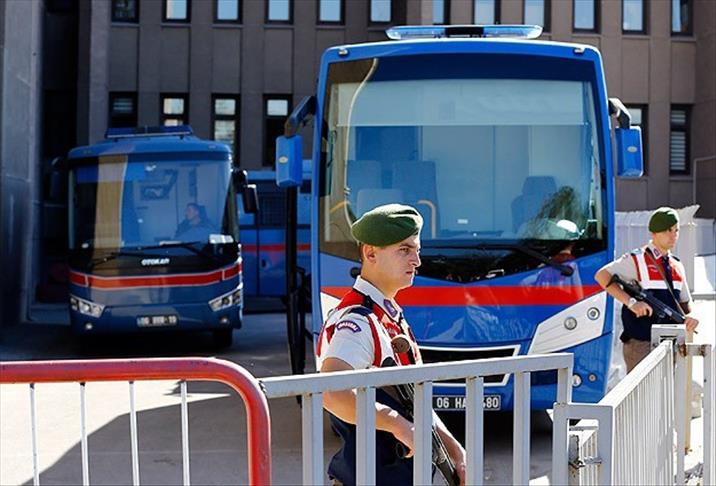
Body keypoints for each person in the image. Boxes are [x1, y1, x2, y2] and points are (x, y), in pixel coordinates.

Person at [316, 204, 466, 486]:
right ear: (370, 253)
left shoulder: (388, 316)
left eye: (417, 250)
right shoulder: (359, 320)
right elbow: (332, 392)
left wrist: (454, 450)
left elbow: (413, 401)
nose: (416, 261)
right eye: (404, 250)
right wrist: (398, 425)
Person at [595, 207, 699, 372]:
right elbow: (602, 275)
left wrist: (692, 316)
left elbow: (685, 302)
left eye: (676, 230)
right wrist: (631, 303)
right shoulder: (637, 258)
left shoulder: (676, 265)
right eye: (667, 230)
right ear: (654, 233)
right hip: (641, 343)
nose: (673, 235)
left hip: (669, 343)